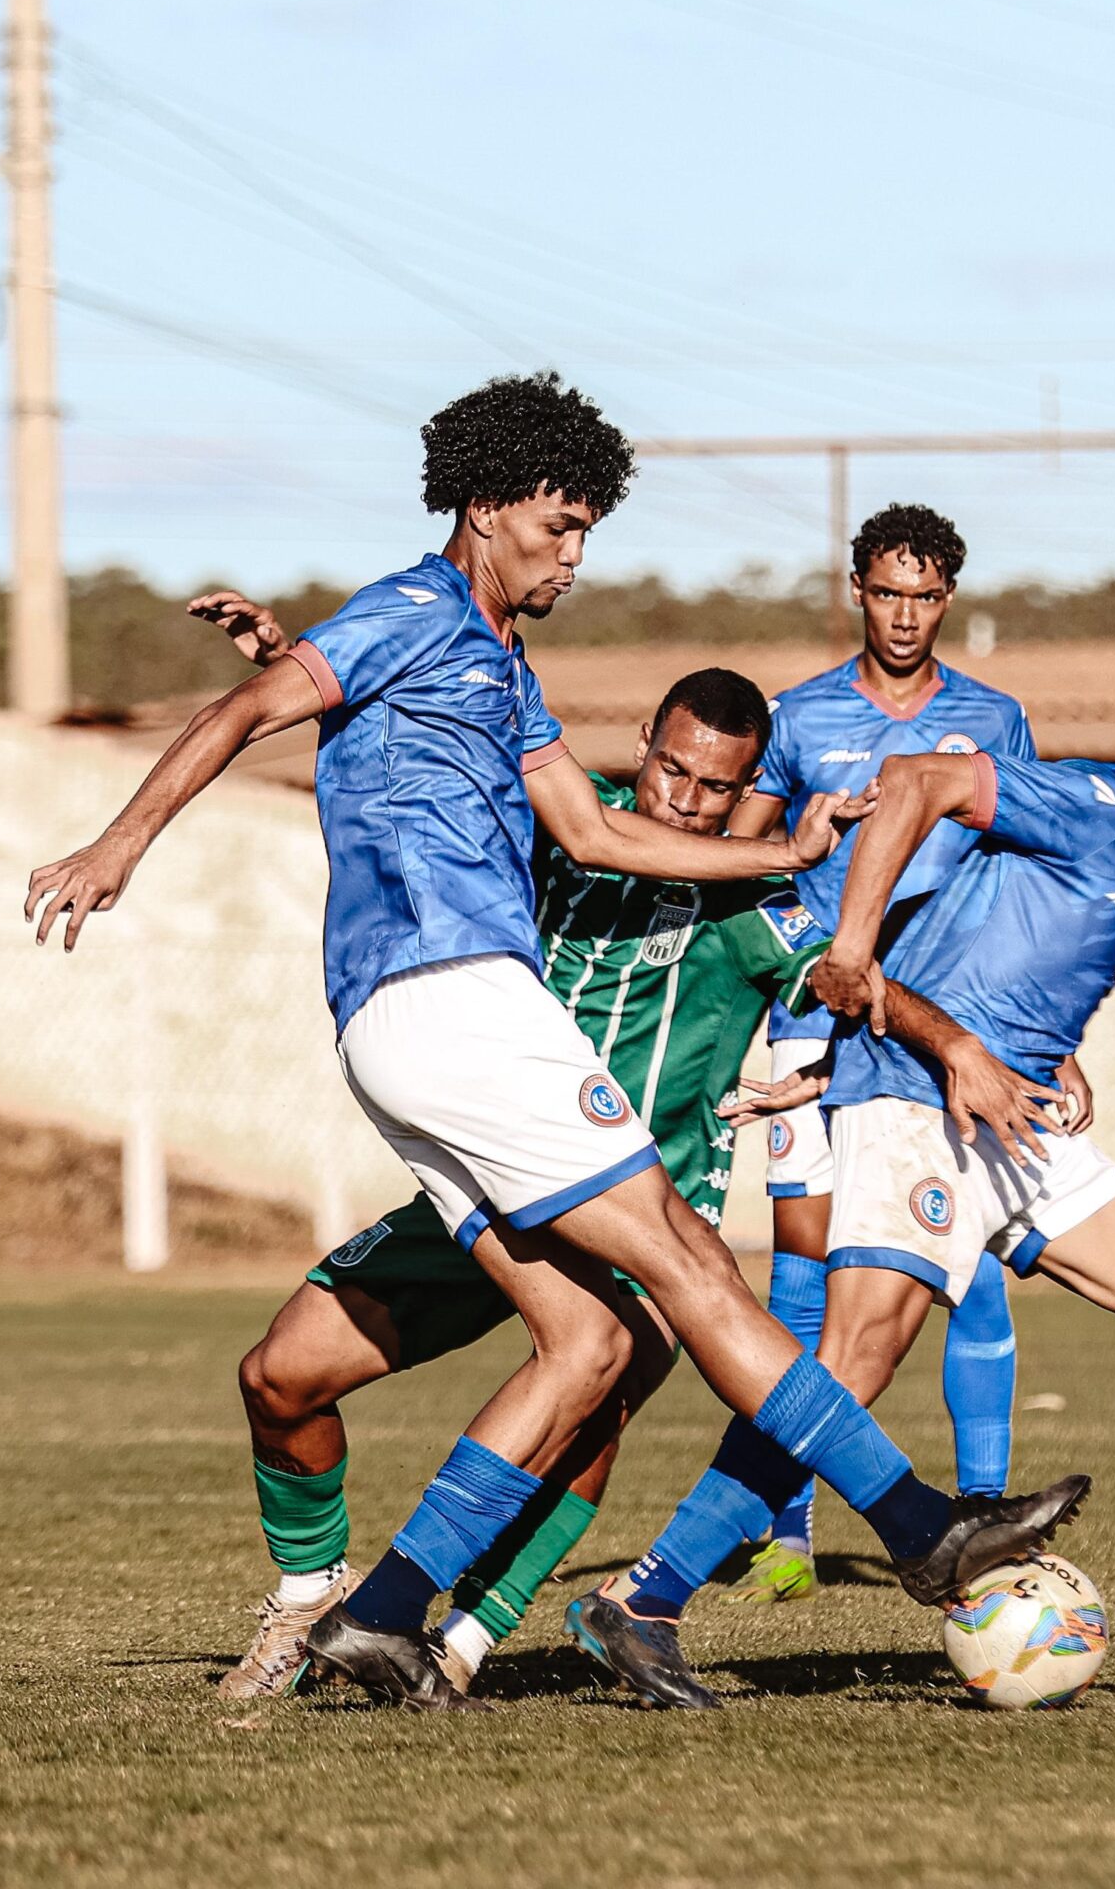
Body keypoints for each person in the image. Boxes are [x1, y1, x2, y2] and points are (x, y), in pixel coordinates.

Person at [25, 373, 1086, 1710]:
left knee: (586, 1337)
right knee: (693, 1264)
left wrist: (779, 853)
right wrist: (120, 842)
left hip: (410, 1026)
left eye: (589, 529)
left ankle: (391, 1614)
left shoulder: (501, 669)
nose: (575, 555)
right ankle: (924, 1531)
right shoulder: (412, 607)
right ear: (484, 504)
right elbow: (247, 714)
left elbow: (593, 834)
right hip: (457, 995)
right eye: (559, 524)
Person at [571, 664, 1115, 1706]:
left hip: (1009, 1119)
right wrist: (848, 955)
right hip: (921, 1103)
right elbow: (917, 778)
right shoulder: (1102, 801)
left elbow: (981, 935)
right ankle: (645, 1596)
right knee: (850, 1361)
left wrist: (1047, 1050)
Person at [184, 636, 837, 1700]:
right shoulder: (565, 820)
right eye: (673, 769)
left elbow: (844, 977)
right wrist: (310, 671)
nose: (686, 800)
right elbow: (428, 760)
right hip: (486, 1182)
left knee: (590, 1404)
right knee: (279, 1374)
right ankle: (308, 1593)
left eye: (718, 787)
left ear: (747, 788)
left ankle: (460, 1640)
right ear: (643, 744)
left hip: (642, 1217)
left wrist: (840, 1055)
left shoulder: (753, 893)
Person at [721, 503, 1046, 1604]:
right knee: (803, 1273)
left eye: (925, 594)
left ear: (945, 597)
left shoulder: (994, 717)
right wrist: (800, 831)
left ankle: (989, 1514)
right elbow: (733, 856)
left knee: (977, 1270)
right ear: (855, 588)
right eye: (887, 591)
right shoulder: (800, 715)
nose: (905, 613)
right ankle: (789, 1532)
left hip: (948, 1021)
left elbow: (1022, 867)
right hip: (819, 1015)